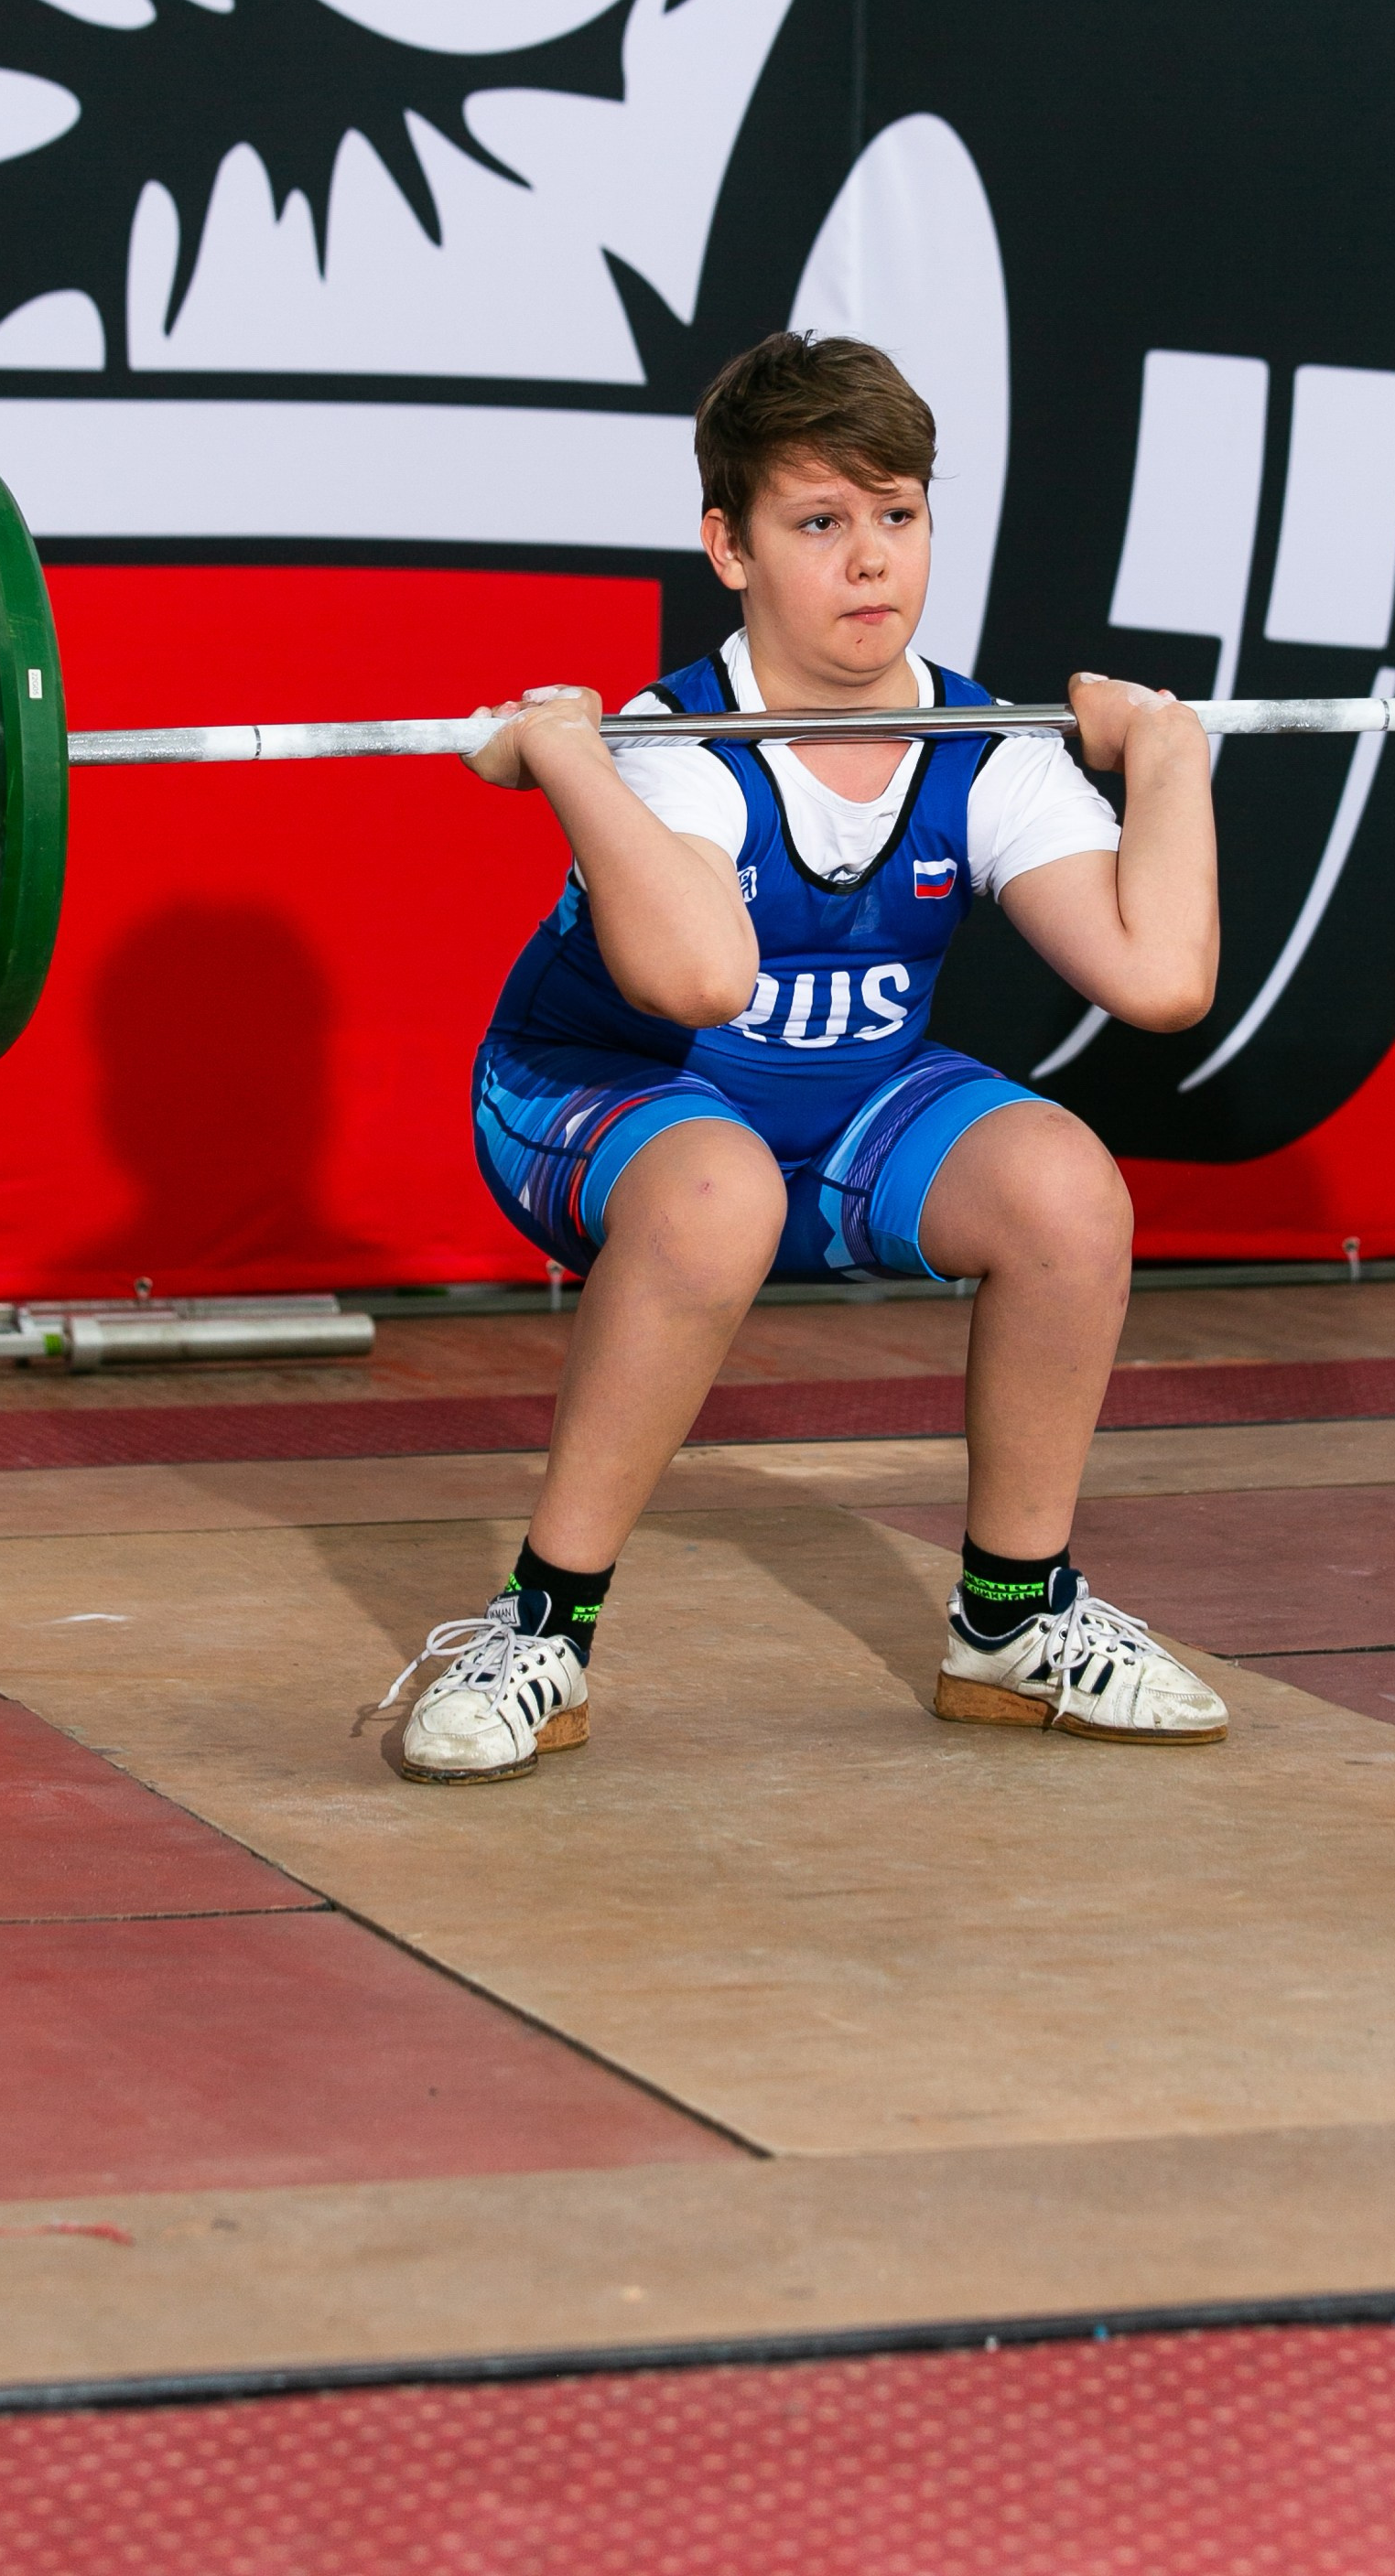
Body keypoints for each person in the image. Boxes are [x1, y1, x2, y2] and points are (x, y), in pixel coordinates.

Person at [390, 331, 1226, 1783]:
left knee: (1067, 1189)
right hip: (598, 1095)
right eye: (819, 523)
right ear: (730, 546)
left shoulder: (989, 745)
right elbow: (700, 980)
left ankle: (1014, 1626)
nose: (869, 562)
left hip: (841, 1119)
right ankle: (537, 1632)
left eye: (896, 516)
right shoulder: (676, 745)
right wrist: (577, 757)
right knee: (718, 1191)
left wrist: (1170, 764)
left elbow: (1161, 980)